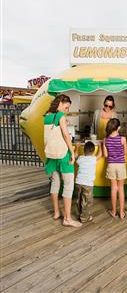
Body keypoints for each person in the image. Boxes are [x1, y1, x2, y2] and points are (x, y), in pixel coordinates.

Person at [44, 94, 82, 227]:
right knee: (68, 185)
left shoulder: (47, 116)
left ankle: (56, 212)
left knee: (55, 183)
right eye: (66, 108)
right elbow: (66, 135)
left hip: (51, 154)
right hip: (63, 154)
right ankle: (67, 218)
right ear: (60, 103)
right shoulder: (60, 116)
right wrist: (72, 152)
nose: (66, 111)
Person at [103, 118, 127, 219]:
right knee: (121, 189)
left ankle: (113, 212)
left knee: (114, 189)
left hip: (111, 165)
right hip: (121, 165)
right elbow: (125, 152)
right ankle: (121, 213)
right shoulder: (123, 139)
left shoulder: (105, 140)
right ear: (118, 128)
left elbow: (105, 155)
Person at [75, 141, 102, 222]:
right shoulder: (93, 159)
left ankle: (80, 214)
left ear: (84, 150)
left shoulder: (80, 158)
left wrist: (77, 147)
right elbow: (100, 155)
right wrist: (100, 145)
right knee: (86, 201)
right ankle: (84, 218)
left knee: (79, 199)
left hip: (79, 182)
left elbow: (75, 156)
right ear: (93, 151)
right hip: (88, 184)